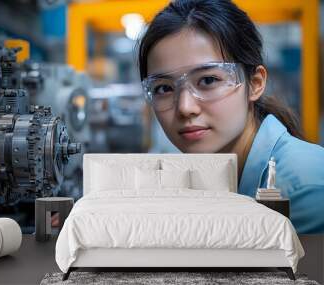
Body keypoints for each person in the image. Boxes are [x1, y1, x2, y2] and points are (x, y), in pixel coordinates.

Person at [138, 0, 324, 234]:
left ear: (255, 84)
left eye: (208, 80)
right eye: (164, 88)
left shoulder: (306, 190)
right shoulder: (214, 179)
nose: (185, 107)